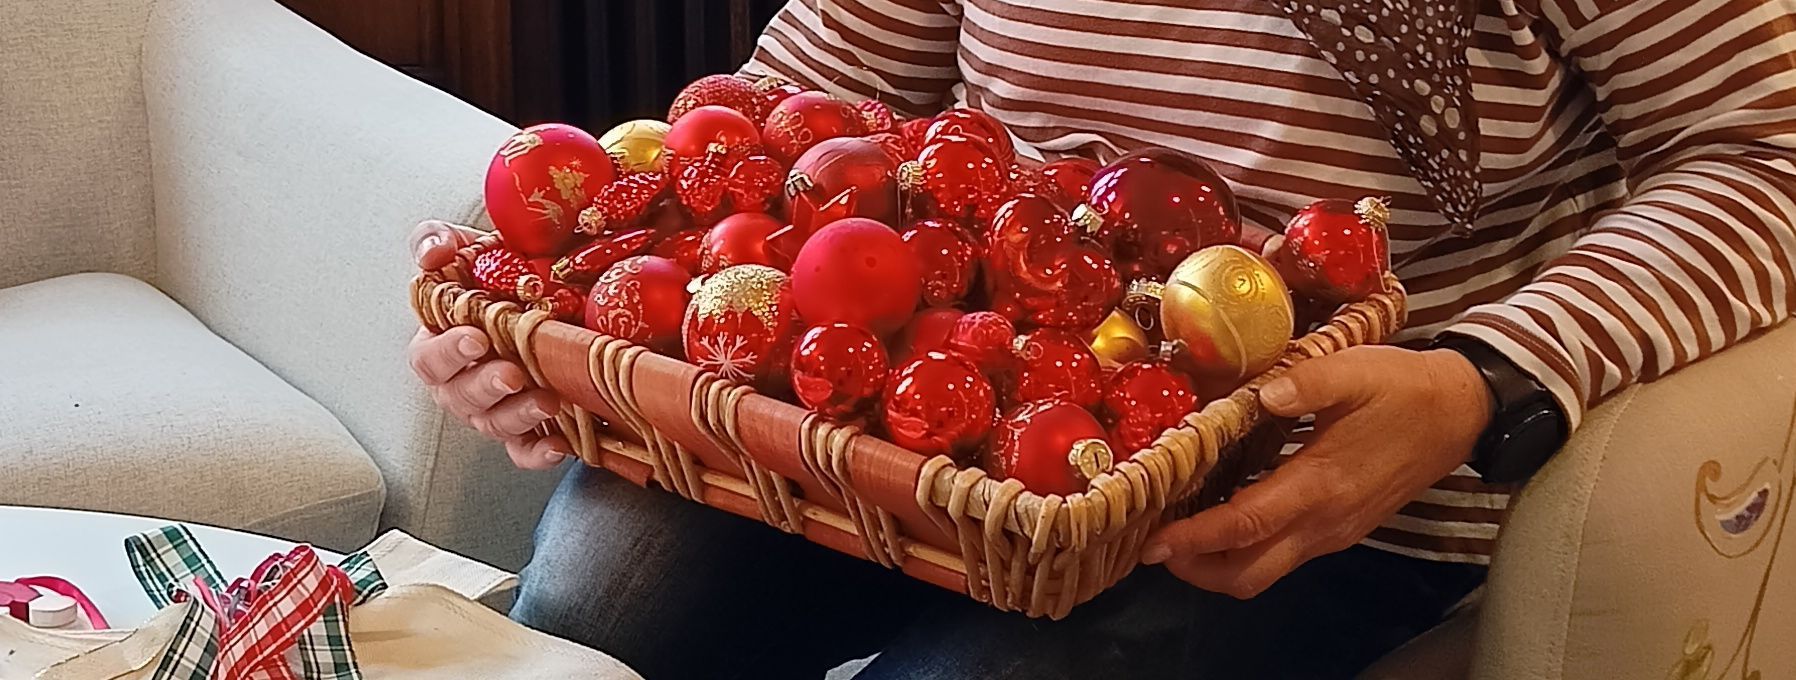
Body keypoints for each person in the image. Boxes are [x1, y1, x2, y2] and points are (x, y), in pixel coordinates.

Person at [407, 0, 1796, 676]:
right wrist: (620, 305)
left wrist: (1483, 381)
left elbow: (1763, 144)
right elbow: (824, 82)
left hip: (1311, 495)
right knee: (602, 607)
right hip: (909, 414)